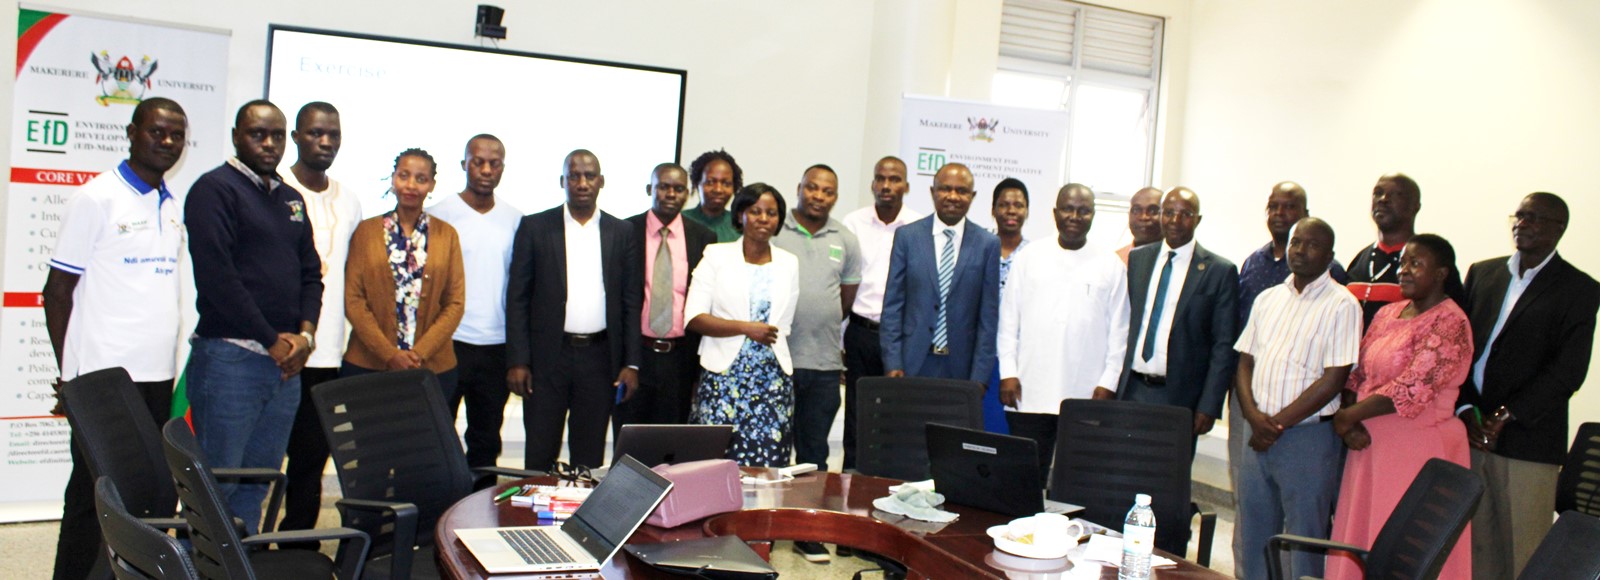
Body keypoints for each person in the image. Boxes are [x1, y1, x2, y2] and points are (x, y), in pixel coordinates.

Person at [45, 97, 186, 580]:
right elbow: (57, 292)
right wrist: (70, 379)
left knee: (147, 494)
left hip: (156, 376)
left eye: (176, 135)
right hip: (104, 380)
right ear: (131, 132)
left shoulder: (170, 204)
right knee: (90, 496)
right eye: (157, 132)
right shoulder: (95, 198)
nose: (167, 142)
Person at [183, 100, 321, 535]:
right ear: (236, 137)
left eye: (277, 135)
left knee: (257, 486)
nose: (269, 143)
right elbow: (217, 279)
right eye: (258, 134)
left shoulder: (290, 197)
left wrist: (305, 337)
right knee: (214, 488)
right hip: (231, 362)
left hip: (285, 367)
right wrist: (271, 340)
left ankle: (240, 564)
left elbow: (311, 274)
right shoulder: (214, 189)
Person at [1458, 193, 1598, 580]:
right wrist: (1468, 409)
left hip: (1529, 442)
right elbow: (1461, 349)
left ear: (1559, 229)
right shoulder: (1483, 273)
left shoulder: (1579, 289)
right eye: (1519, 216)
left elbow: (1568, 371)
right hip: (1473, 433)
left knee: (1526, 555)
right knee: (1478, 550)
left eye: (1535, 218)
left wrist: (1507, 414)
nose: (1523, 224)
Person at [1326, 234, 1473, 580]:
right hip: (1369, 445)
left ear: (1440, 273)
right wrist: (1350, 417)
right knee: (1362, 533)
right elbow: (1358, 371)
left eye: (1415, 264)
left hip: (1419, 451)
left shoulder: (1451, 322)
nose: (1404, 270)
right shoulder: (1389, 313)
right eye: (1403, 263)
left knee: (1403, 545)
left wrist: (1348, 417)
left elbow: (1413, 386)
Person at [1231, 218, 1361, 580]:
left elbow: (1333, 380)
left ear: (1331, 255)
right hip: (1257, 434)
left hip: (1306, 439)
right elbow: (1244, 362)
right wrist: (1255, 417)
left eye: (1312, 245)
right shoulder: (1267, 299)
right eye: (1295, 243)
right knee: (1255, 530)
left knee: (1304, 537)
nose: (1301, 251)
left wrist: (1276, 424)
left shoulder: (1342, 305)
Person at [507, 149, 641, 470]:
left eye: (589, 176)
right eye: (574, 176)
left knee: (589, 455)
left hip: (599, 359)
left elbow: (630, 301)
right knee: (540, 452)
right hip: (547, 358)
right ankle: (532, 515)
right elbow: (518, 298)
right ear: (562, 181)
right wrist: (518, 360)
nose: (582, 183)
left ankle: (582, 520)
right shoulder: (535, 227)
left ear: (602, 182)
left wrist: (632, 363)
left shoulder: (621, 232)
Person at [998, 184, 1128, 482]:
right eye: (1068, 209)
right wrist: (1007, 371)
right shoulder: (1029, 257)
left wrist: (1108, 382)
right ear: (1055, 213)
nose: (1075, 216)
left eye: (1084, 211)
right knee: (1027, 476)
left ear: (1093, 215)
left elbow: (1120, 333)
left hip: (1086, 393)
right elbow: (1008, 323)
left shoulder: (1110, 265)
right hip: (1029, 390)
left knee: (1080, 479)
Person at [278, 101, 363, 541]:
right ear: (295, 136)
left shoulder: (349, 200)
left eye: (332, 135)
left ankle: (293, 547)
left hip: (329, 353)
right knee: (260, 463)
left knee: (310, 462)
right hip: (276, 354)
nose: (325, 142)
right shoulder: (274, 188)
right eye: (314, 133)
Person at [427, 134, 522, 487]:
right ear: (463, 164)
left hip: (496, 348)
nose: (485, 169)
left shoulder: (516, 220)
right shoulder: (438, 215)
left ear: (502, 168)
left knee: (485, 441)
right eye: (477, 161)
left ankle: (477, 516)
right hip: (446, 343)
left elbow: (520, 291)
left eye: (493, 163)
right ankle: (435, 518)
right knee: (437, 438)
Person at [685, 183, 800, 467]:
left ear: (779, 220)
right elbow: (694, 317)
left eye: (771, 213)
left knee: (769, 465)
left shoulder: (789, 263)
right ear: (740, 216)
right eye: (755, 211)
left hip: (772, 381)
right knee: (713, 464)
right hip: (724, 377)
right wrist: (747, 328)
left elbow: (784, 325)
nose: (763, 219)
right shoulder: (716, 255)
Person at [1119, 187, 1238, 443]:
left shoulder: (1218, 271)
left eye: (1185, 214)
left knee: (1168, 477)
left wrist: (1209, 405)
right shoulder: (1139, 260)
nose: (1175, 220)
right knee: (1126, 471)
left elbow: (1223, 345)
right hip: (1132, 389)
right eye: (1169, 212)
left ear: (1198, 219)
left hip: (1180, 397)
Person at [343, 148, 465, 396]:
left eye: (421, 179)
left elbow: (455, 302)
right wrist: (390, 355)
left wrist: (418, 354)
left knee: (424, 435)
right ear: (393, 178)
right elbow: (353, 299)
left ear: (431, 185)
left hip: (432, 367)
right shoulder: (366, 232)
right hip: (368, 364)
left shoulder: (447, 235)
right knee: (369, 434)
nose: (411, 185)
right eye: (404, 175)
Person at [614, 163, 715, 431]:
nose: (671, 194)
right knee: (630, 443)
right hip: (637, 355)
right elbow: (619, 300)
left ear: (687, 194)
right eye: (663, 187)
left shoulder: (704, 237)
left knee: (671, 444)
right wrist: (627, 361)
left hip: (680, 358)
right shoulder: (625, 231)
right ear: (650, 189)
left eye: (678, 188)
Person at [773, 165, 861, 469]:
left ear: (835, 197)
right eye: (812, 187)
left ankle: (808, 516)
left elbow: (845, 300)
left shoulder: (845, 239)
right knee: (774, 452)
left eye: (827, 191)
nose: (818, 196)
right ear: (799, 188)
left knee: (814, 457)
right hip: (779, 361)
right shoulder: (774, 230)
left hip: (824, 365)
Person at [839, 156, 923, 471]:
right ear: (873, 183)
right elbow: (843, 283)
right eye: (881, 179)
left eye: (895, 179)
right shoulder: (852, 223)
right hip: (860, 332)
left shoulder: (918, 226)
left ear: (906, 186)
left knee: (897, 412)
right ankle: (852, 476)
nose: (887, 185)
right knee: (857, 412)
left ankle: (891, 478)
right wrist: (840, 340)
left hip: (900, 336)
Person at [881, 163, 1000, 383]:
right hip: (911, 362)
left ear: (972, 196)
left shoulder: (988, 244)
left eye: (962, 191)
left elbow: (988, 318)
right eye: (945, 189)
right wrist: (893, 361)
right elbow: (892, 306)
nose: (953, 196)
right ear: (932, 192)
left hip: (961, 368)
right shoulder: (907, 237)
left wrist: (980, 377)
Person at [982, 178, 1030, 435]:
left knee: (1010, 431)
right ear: (993, 210)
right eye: (1004, 205)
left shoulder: (1035, 256)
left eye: (1018, 205)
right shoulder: (978, 248)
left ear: (1027, 212)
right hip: (982, 356)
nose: (1011, 211)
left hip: (1017, 359)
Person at [1347, 173, 1420, 329]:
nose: (1383, 199)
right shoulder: (1360, 260)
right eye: (1378, 193)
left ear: (1416, 206)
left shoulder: (1428, 264)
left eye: (1396, 195)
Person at [682, 149, 743, 242]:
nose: (718, 189)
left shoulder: (739, 225)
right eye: (710, 182)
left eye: (726, 183)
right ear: (697, 184)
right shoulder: (680, 220)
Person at [1116, 186, 1164, 265]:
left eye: (1153, 211)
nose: (1143, 217)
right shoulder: (1116, 260)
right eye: (1136, 210)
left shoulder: (1174, 259)